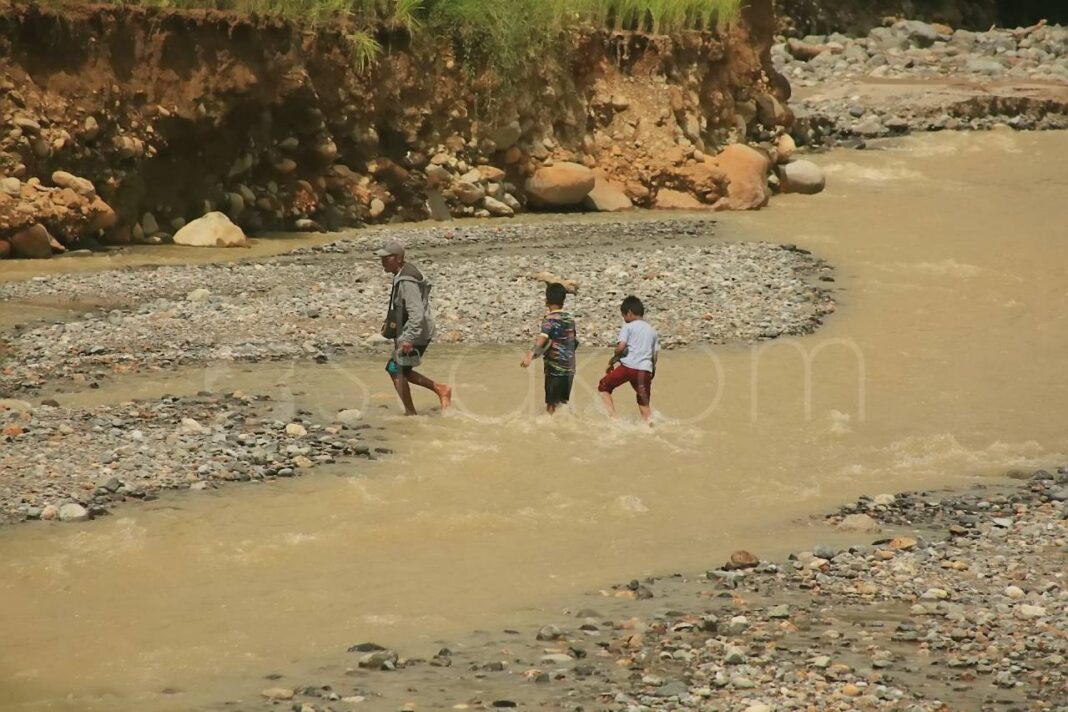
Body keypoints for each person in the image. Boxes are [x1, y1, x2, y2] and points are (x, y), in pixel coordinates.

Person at [375, 240, 451, 415]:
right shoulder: (402, 273)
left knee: (394, 369)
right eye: (382, 258)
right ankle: (440, 390)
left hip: (416, 333)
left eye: (387, 258)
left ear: (399, 258)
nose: (383, 262)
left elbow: (416, 312)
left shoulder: (407, 280)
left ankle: (413, 411)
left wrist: (409, 337)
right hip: (414, 332)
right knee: (403, 370)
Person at [598, 295, 659, 423]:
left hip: (628, 368)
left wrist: (613, 359)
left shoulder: (628, 327)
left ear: (629, 313)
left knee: (604, 387)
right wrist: (652, 370)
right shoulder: (652, 331)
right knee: (644, 403)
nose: (624, 319)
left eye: (624, 316)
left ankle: (614, 418)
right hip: (645, 370)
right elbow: (654, 355)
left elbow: (621, 347)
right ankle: (650, 425)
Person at [520, 283, 578, 414]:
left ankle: (551, 428)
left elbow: (543, 338)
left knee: (551, 405)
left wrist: (529, 355)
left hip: (554, 370)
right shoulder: (570, 319)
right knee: (563, 404)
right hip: (569, 369)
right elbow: (574, 342)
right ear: (563, 301)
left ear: (546, 300)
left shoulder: (549, 319)